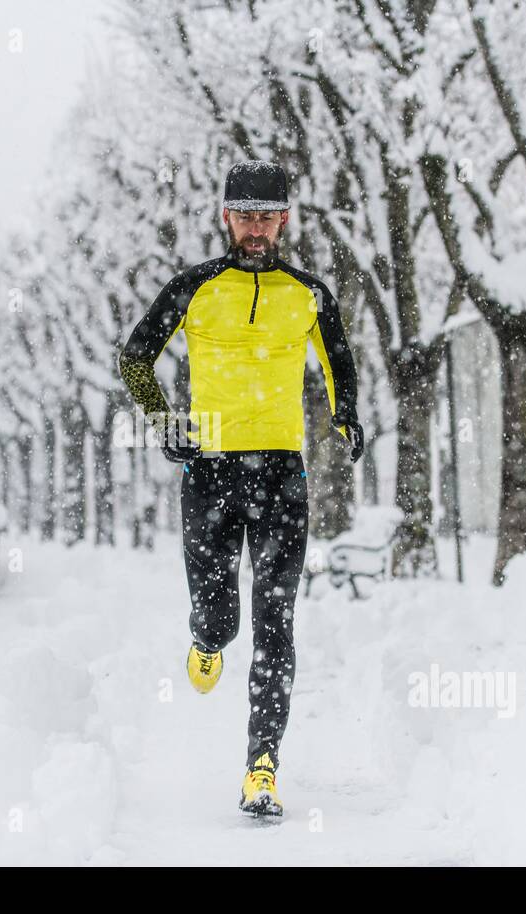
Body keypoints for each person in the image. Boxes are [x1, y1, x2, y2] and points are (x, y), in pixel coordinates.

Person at [117, 159, 364, 817]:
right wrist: (165, 417)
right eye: (245, 215)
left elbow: (339, 361)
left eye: (268, 216)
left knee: (275, 619)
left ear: (285, 219)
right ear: (226, 217)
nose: (256, 228)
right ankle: (204, 639)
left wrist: (347, 414)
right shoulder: (193, 287)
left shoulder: (308, 293)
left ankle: (262, 766)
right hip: (211, 472)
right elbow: (135, 356)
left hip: (284, 473)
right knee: (223, 618)